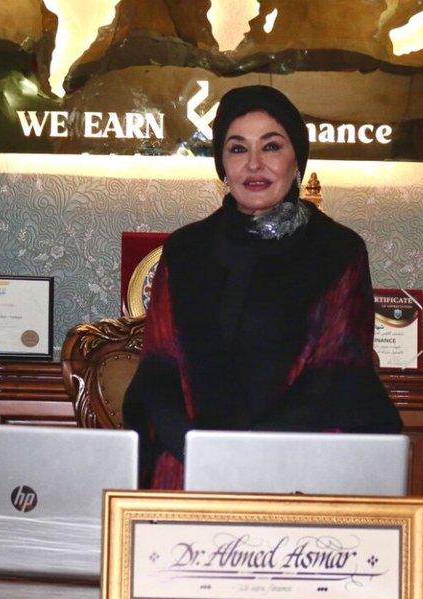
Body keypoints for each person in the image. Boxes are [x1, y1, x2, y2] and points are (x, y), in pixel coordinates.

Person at [123, 85, 403, 488]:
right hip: (190, 465)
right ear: (222, 165)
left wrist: (253, 454)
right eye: (238, 149)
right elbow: (159, 366)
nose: (254, 164)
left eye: (271, 147)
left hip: (296, 468)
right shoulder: (186, 249)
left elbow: (337, 374)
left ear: (297, 159)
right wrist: (195, 448)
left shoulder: (337, 250)